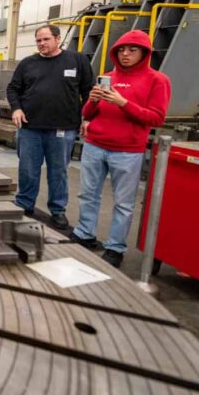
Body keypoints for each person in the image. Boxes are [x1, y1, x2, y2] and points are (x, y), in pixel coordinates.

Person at [72, 31, 171, 268]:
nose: (125, 55)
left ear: (144, 53)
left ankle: (115, 247)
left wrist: (123, 103)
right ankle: (84, 233)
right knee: (88, 194)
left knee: (123, 203)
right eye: (121, 50)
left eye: (132, 50)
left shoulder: (158, 80)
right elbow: (87, 114)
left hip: (128, 151)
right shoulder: (107, 77)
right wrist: (93, 100)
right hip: (95, 145)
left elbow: (156, 118)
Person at [7, 24, 94, 228]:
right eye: (38, 40)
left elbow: (89, 90)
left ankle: (57, 209)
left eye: (45, 39)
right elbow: (13, 89)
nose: (41, 43)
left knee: (58, 171)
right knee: (28, 169)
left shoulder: (77, 60)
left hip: (63, 128)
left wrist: (87, 117)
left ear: (57, 39)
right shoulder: (28, 63)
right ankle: (24, 204)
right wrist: (16, 109)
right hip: (30, 127)